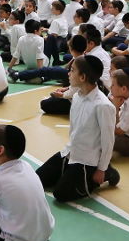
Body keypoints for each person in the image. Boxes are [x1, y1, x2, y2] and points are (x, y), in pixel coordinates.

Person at [36, 57, 118, 201]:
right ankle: (70, 173)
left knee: (60, 194)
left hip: (88, 160)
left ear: (83, 77)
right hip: (70, 151)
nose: (68, 73)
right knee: (36, 180)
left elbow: (108, 141)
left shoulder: (103, 106)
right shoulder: (77, 96)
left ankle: (108, 172)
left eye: (72, 70)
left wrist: (101, 169)